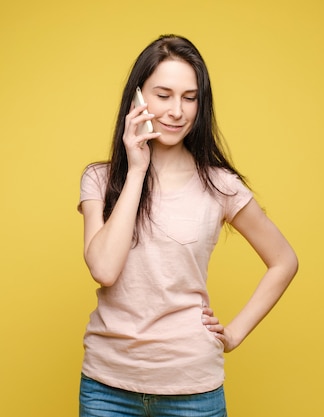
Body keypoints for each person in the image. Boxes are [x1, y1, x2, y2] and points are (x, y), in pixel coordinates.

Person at [77, 34, 298, 417]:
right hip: (106, 387)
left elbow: (284, 260)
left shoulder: (220, 185)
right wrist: (137, 170)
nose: (177, 111)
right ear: (137, 98)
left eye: (189, 97)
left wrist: (234, 334)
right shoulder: (100, 179)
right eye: (163, 95)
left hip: (192, 389)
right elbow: (104, 269)